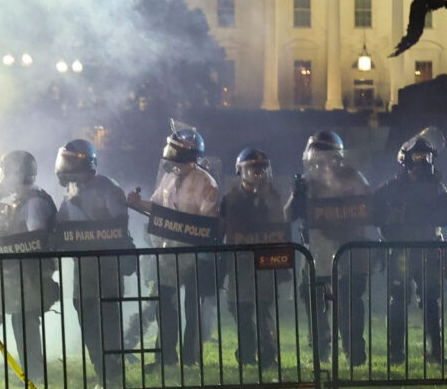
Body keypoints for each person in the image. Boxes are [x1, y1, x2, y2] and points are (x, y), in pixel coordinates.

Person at [128, 126, 219, 369]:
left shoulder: (206, 183)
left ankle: (191, 358)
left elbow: (208, 222)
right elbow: (157, 207)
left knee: (192, 308)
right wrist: (138, 203)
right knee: (165, 306)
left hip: (193, 254)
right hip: (168, 252)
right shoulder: (168, 177)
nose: (174, 164)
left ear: (190, 157)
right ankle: (165, 358)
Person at [284, 130, 376, 366]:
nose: (320, 160)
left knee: (350, 302)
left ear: (337, 157)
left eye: (325, 154)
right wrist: (296, 195)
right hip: (315, 249)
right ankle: (320, 352)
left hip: (347, 248)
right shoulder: (306, 183)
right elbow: (287, 216)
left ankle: (354, 352)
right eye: (317, 154)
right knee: (314, 303)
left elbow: (369, 206)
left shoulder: (352, 177)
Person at [373, 134, 447, 365]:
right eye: (418, 156)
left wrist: (428, 215)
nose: (422, 161)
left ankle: (436, 353)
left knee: (431, 300)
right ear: (407, 159)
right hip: (400, 252)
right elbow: (375, 213)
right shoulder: (392, 187)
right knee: (398, 300)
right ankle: (396, 354)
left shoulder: (437, 187)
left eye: (426, 156)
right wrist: (395, 217)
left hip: (429, 251)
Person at [55, 139, 132, 386]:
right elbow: (62, 223)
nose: (64, 166)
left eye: (69, 160)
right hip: (83, 267)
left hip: (107, 266)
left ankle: (115, 376)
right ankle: (101, 372)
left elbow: (119, 224)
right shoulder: (71, 191)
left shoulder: (108, 188)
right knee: (87, 322)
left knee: (108, 322)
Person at [0, 150, 59, 384]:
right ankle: (30, 371)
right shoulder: (23, 200)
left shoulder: (35, 202)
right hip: (22, 274)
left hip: (30, 274)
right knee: (21, 321)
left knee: (26, 322)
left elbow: (34, 240)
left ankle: (34, 373)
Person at [218, 148, 290, 369]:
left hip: (265, 263)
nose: (258, 173)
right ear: (241, 171)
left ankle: (268, 356)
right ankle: (247, 353)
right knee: (239, 308)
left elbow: (282, 227)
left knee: (263, 308)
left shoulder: (274, 197)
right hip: (240, 262)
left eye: (261, 169)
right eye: (252, 169)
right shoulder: (230, 199)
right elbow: (221, 228)